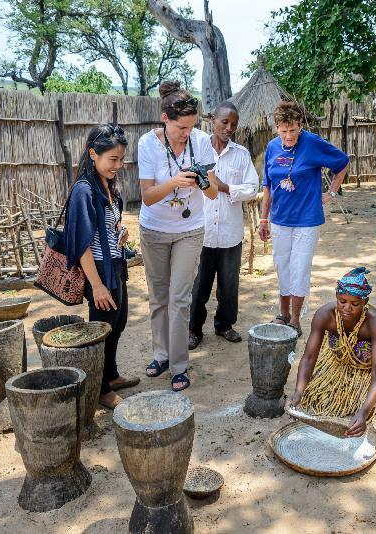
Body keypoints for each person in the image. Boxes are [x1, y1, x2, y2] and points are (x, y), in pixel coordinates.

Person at [137, 80, 219, 391]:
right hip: (154, 230)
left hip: (189, 230)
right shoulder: (147, 144)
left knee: (180, 299)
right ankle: (161, 354)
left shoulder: (201, 142)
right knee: (159, 297)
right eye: (181, 127)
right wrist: (175, 181)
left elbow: (212, 193)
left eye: (191, 127)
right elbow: (147, 196)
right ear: (165, 119)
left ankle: (179, 366)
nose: (187, 133)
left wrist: (200, 182)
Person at [258, 101, 349, 336]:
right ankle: (283, 314)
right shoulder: (271, 148)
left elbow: (342, 162)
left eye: (293, 129)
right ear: (276, 128)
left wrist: (331, 192)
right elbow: (267, 185)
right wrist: (263, 219)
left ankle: (296, 320)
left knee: (299, 269)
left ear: (300, 125)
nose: (289, 135)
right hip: (279, 219)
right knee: (282, 266)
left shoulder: (312, 143)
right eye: (284, 130)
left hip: (307, 220)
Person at [65, 123, 139, 410]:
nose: (118, 165)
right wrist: (95, 285)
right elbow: (82, 244)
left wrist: (119, 233)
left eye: (121, 160)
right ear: (93, 154)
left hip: (115, 264)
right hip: (98, 270)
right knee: (102, 328)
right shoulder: (84, 191)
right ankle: (101, 389)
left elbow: (104, 228)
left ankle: (112, 374)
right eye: (113, 160)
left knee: (117, 323)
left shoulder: (107, 185)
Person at [284, 267, 376, 437]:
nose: (347, 308)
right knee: (318, 399)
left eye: (355, 304)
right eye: (342, 301)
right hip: (342, 360)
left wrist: (363, 412)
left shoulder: (375, 322)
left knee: (371, 409)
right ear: (336, 297)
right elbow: (309, 358)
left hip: (369, 365)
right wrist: (298, 392)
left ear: (365, 302)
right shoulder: (324, 316)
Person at [188, 102, 259, 350]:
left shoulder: (240, 154)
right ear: (212, 120)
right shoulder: (196, 150)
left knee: (229, 284)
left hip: (230, 232)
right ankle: (193, 329)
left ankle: (224, 325)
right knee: (198, 285)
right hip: (201, 231)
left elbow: (252, 188)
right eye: (224, 122)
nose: (229, 128)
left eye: (234, 124)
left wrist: (224, 186)